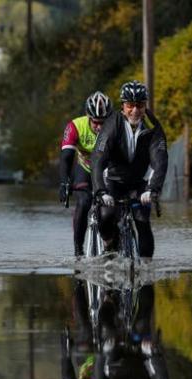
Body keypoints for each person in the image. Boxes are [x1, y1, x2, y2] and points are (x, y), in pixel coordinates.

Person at [92, 80, 168, 258]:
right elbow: (97, 159)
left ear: (145, 105)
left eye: (140, 105)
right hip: (113, 180)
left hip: (139, 182)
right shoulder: (112, 124)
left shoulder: (153, 126)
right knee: (107, 215)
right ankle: (110, 243)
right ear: (123, 106)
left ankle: (146, 275)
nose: (135, 110)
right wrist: (101, 191)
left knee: (142, 221)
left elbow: (160, 160)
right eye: (130, 105)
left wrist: (153, 188)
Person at [60, 91, 113, 257]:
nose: (99, 127)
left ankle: (112, 242)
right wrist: (64, 182)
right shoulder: (75, 126)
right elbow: (66, 157)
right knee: (84, 202)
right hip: (86, 168)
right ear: (88, 117)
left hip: (108, 170)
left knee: (112, 207)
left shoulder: (116, 126)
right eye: (96, 122)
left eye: (103, 123)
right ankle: (78, 250)